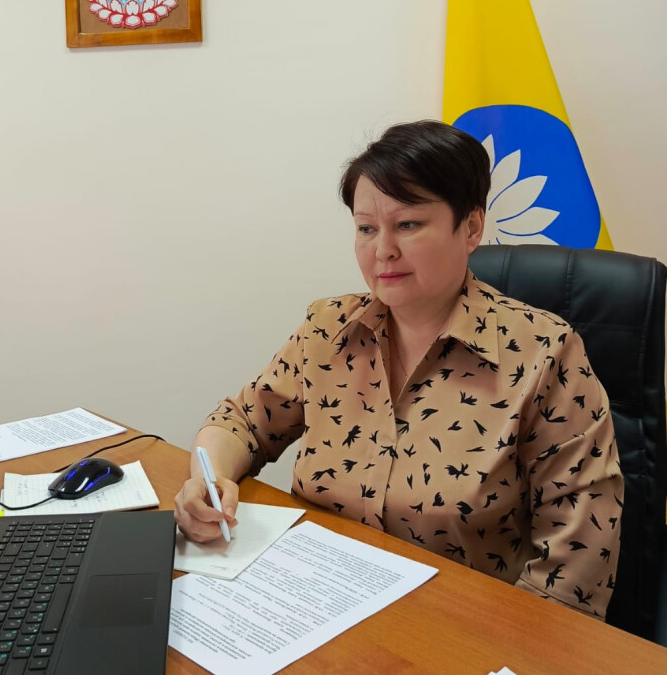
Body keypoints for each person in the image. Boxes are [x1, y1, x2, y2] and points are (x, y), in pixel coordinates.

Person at [175, 121, 624, 619]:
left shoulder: (544, 353)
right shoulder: (327, 329)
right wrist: (208, 483)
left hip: (459, 628)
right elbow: (242, 422)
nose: (382, 249)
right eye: (366, 228)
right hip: (314, 603)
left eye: (407, 224)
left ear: (471, 228)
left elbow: (574, 568)